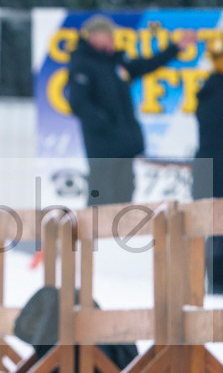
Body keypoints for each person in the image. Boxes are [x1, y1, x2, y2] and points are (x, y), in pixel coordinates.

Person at [67, 15, 196, 205]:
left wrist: (175, 48)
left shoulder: (114, 63)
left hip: (123, 145)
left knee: (125, 191)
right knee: (100, 193)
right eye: (108, 34)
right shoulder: (83, 63)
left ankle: (119, 233)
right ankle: (93, 233)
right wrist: (104, 124)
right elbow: (78, 103)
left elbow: (146, 64)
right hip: (102, 146)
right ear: (93, 36)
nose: (112, 37)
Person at [195, 37, 223, 293]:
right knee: (215, 228)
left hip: (209, 168)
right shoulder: (214, 90)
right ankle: (217, 283)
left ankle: (215, 282)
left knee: (213, 227)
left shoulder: (208, 88)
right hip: (215, 169)